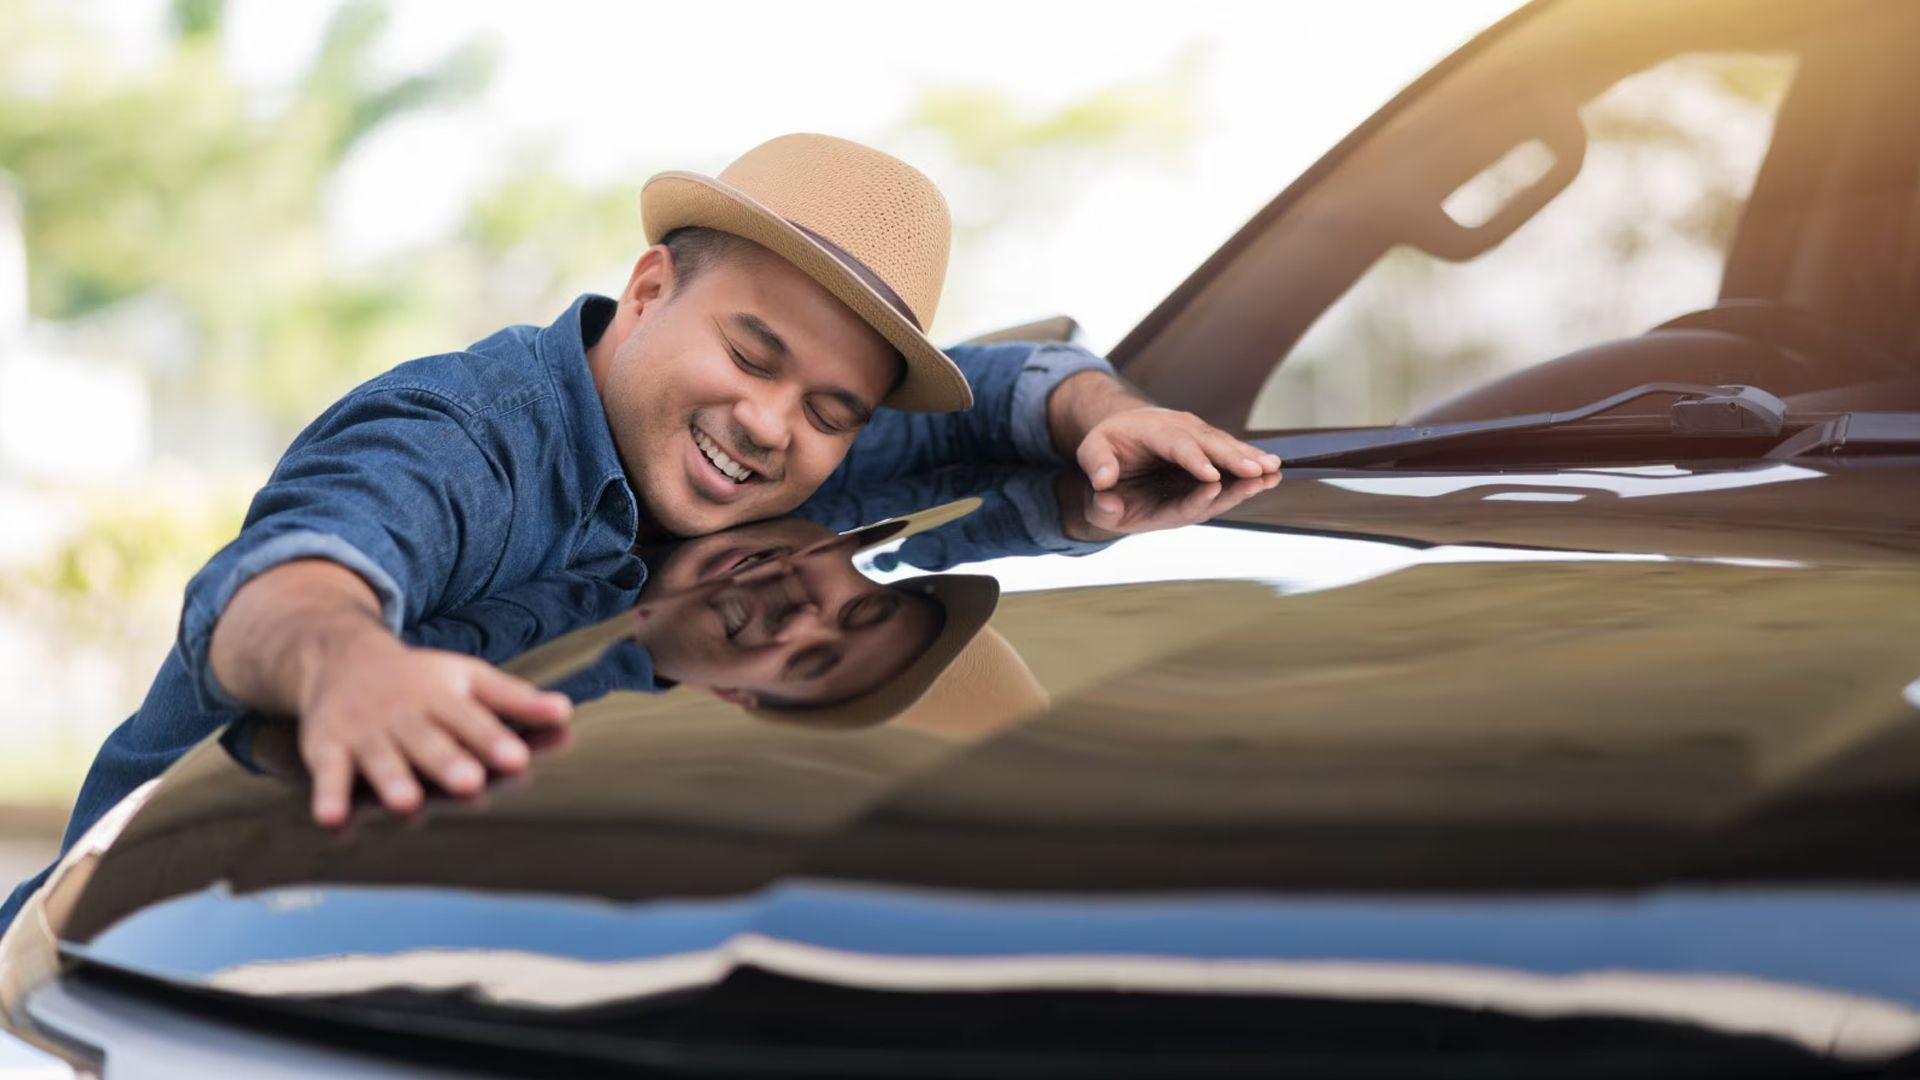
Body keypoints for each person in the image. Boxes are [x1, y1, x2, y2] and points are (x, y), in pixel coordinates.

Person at [0, 132, 1277, 933]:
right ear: (654, 286)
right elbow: (288, 579)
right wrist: (349, 664)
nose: (774, 425)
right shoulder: (474, 429)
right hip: (113, 967)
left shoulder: (782, 452)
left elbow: (993, 388)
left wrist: (1099, 410)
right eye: (750, 351)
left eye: (831, 408)